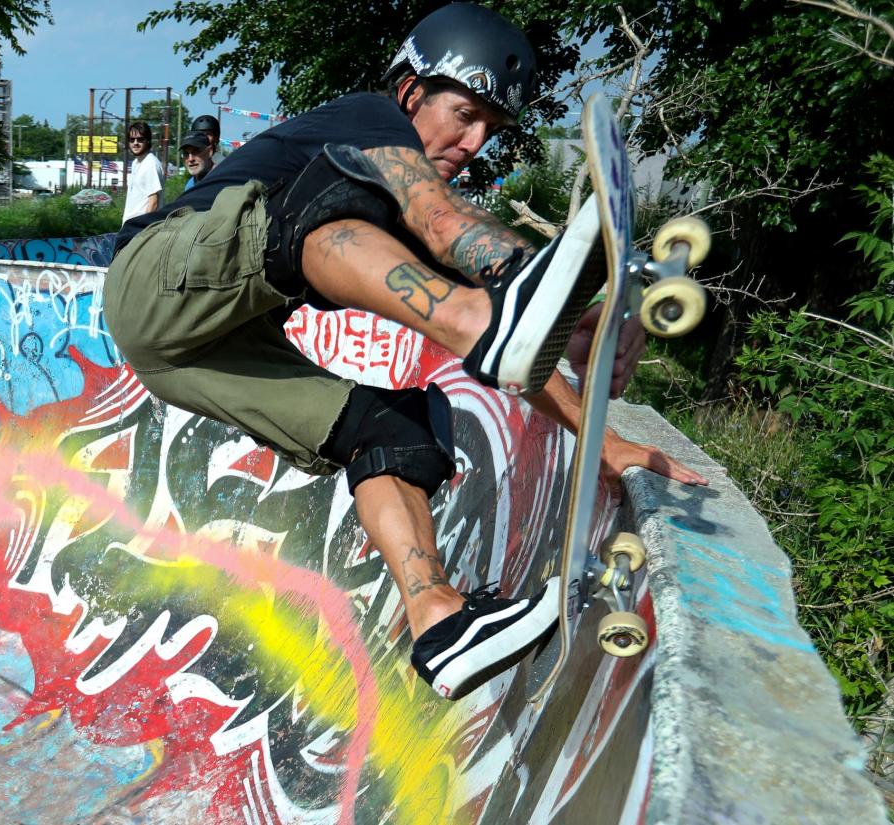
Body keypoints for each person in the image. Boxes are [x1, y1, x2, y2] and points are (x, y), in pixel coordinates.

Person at [105, 3, 706, 700]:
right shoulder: (371, 119)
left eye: (491, 128)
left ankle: (437, 619)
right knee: (342, 198)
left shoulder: (399, 217)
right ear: (412, 92)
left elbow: (515, 344)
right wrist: (518, 288)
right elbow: (446, 224)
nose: (474, 141)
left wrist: (597, 425)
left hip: (191, 355)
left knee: (391, 428)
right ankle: (487, 311)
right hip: (153, 278)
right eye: (464, 114)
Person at [121, 121, 164, 225]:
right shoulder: (136, 163)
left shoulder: (150, 164)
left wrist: (142, 229)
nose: (135, 143)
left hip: (139, 230)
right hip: (130, 228)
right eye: (132, 140)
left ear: (148, 141)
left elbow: (153, 202)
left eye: (140, 139)